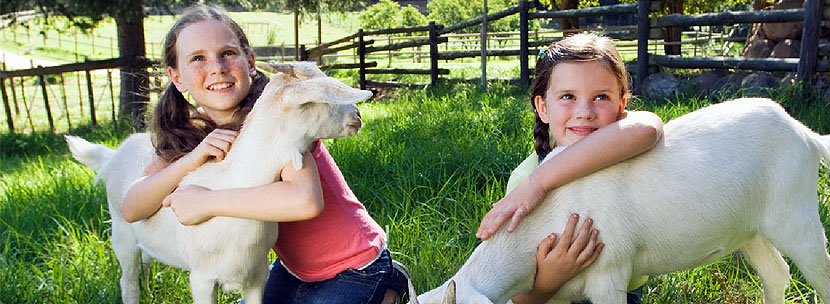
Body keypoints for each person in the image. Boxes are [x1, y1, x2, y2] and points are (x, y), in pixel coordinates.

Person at [121, 4, 407, 304]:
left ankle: (388, 288)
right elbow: (132, 208)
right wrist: (190, 161)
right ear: (176, 77)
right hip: (293, 270)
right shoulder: (189, 133)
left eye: (228, 53)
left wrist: (207, 202)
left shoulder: (283, 116)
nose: (217, 67)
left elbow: (306, 201)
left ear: (250, 61)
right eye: (197, 58)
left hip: (355, 266)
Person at [477, 34, 664, 303]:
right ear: (542, 107)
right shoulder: (521, 183)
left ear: (622, 106)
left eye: (601, 96)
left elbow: (647, 128)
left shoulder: (622, 148)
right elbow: (519, 298)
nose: (585, 111)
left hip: (622, 288)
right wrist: (548, 281)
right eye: (568, 96)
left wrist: (539, 183)